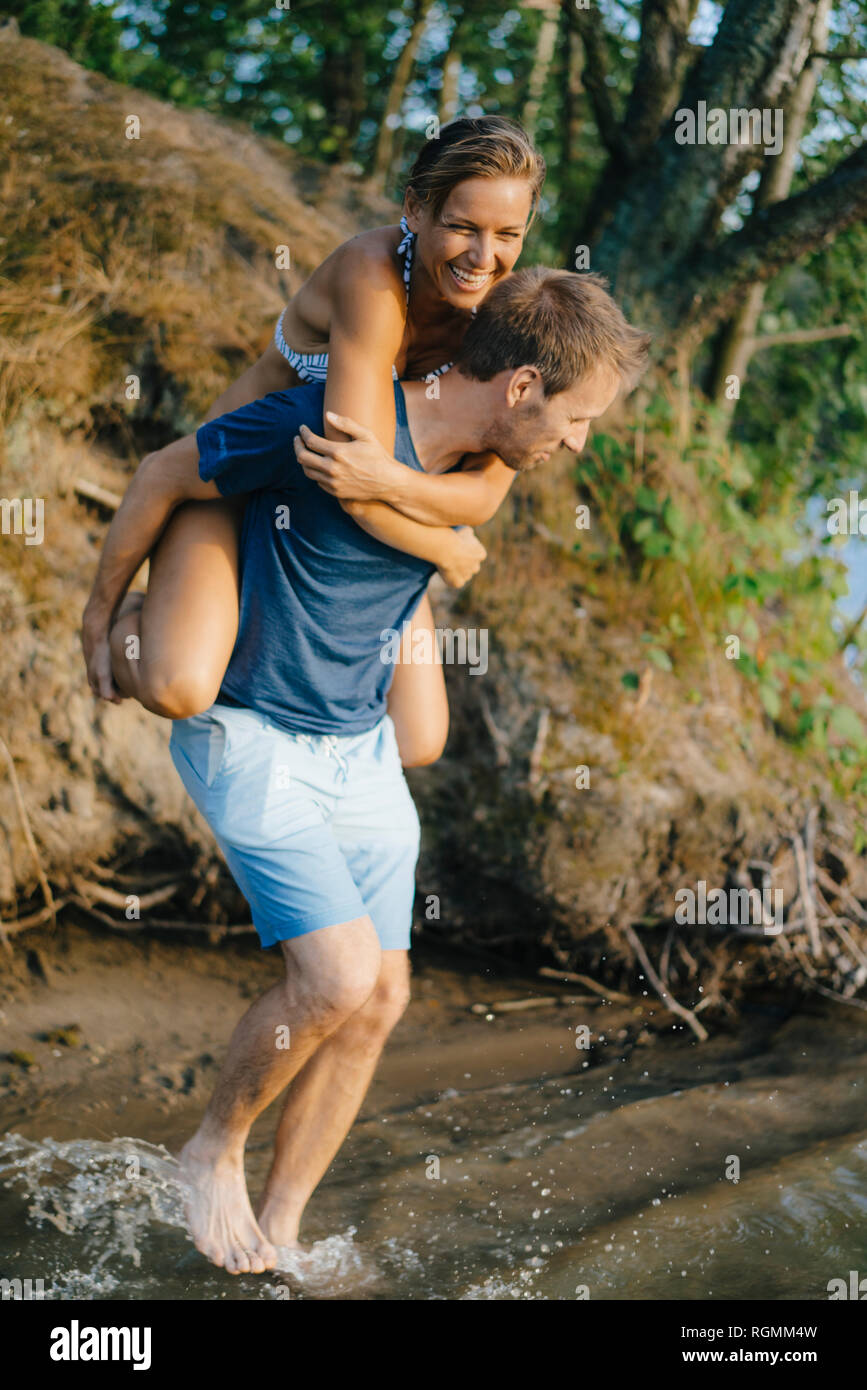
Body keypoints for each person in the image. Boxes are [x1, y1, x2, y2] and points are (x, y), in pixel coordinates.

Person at [81, 266, 650, 1273]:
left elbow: (430, 537)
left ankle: (284, 1230)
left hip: (357, 749)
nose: (580, 441)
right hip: (253, 733)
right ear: (522, 387)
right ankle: (211, 1149)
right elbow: (164, 474)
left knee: (381, 997)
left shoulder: (476, 465)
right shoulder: (320, 430)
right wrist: (107, 619)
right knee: (336, 974)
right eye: (579, 418)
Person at [84, 116, 548, 769]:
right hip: (238, 483)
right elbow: (350, 473)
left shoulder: (503, 317)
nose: (482, 258)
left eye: (508, 235)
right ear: (415, 208)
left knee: (416, 741)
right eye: (463, 227)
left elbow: (480, 494)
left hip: (336, 523)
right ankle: (144, 616)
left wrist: (429, 507)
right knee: (178, 685)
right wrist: (439, 544)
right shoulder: (371, 274)